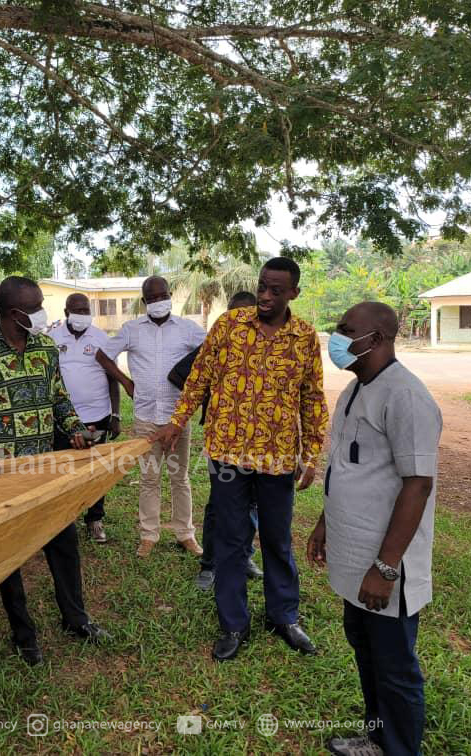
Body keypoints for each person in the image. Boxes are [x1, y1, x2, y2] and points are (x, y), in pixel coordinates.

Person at [151, 257, 328, 661]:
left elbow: (311, 397)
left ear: (293, 294)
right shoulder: (229, 326)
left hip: (278, 456)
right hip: (227, 452)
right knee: (230, 541)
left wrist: (312, 453)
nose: (266, 296)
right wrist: (176, 423)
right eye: (263, 286)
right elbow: (199, 377)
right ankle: (233, 623)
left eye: (276, 291)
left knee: (277, 540)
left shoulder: (303, 336)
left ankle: (284, 616)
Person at [0, 275, 110, 665]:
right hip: (3, 477)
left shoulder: (46, 347)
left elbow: (59, 398)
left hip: (46, 468)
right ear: (14, 313)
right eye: (37, 306)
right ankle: (23, 633)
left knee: (63, 545)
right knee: (8, 556)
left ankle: (75, 619)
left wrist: (76, 430)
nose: (44, 312)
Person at [307, 302, 442, 756]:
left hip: (385, 566)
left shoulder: (405, 397)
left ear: (378, 339)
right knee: (366, 654)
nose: (337, 338)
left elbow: (418, 486)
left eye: (347, 330)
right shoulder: (354, 390)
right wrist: (325, 524)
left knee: (395, 667)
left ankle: (400, 748)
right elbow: (344, 468)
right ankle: (377, 738)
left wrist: (385, 569)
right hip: (353, 553)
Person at [96, 275, 206, 557]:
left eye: (162, 296)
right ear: (144, 301)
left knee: (180, 478)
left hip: (177, 417)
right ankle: (149, 535)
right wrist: (125, 381)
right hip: (145, 415)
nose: (158, 301)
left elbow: (211, 353)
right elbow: (103, 355)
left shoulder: (188, 329)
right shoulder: (132, 329)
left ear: (170, 295)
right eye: (152, 298)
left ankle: (185, 533)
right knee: (149, 478)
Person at [166, 291, 263, 591]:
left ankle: (244, 556)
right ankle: (209, 564)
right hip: (222, 439)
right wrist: (214, 393)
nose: (241, 321)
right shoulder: (214, 344)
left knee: (254, 503)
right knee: (220, 503)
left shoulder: (268, 348)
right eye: (235, 314)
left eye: (249, 315)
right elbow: (181, 375)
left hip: (261, 442)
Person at [49, 293, 122, 543]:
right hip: (63, 419)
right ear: (66, 310)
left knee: (95, 470)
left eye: (85, 309)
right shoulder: (52, 338)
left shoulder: (101, 338)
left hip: (98, 416)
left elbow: (113, 377)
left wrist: (115, 414)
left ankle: (95, 518)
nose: (82, 313)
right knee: (62, 470)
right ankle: (62, 520)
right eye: (76, 309)